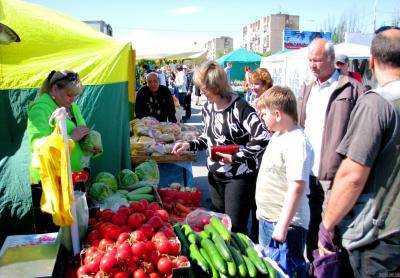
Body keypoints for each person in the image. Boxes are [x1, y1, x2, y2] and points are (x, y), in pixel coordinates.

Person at [318, 27, 400, 277]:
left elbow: (352, 176)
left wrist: (327, 225)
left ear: (372, 61)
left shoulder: (377, 104)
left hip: (377, 239)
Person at [172, 61, 269, 237]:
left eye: (204, 88)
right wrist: (189, 145)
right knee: (218, 226)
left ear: (216, 86)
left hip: (238, 177)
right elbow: (208, 138)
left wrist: (237, 156)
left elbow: (263, 136)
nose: (201, 92)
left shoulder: (240, 107)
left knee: (235, 230)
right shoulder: (208, 107)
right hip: (215, 177)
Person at [297, 38, 362, 262]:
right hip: (309, 170)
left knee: (331, 230)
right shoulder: (307, 86)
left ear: (331, 60)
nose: (312, 65)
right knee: (311, 224)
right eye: (310, 60)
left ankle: (329, 268)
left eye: (317, 60)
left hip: (333, 174)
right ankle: (314, 267)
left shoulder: (350, 88)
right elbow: (302, 123)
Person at [256, 86, 313, 277]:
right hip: (269, 218)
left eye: (264, 114)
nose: (262, 118)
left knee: (285, 271)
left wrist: (281, 225)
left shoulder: (297, 142)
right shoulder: (279, 135)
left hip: (286, 224)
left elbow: (296, 187)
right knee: (269, 268)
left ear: (278, 114)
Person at [27, 70, 89, 232]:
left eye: (75, 95)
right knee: (56, 234)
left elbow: (79, 129)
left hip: (72, 176)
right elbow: (39, 147)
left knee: (75, 231)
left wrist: (89, 142)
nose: (73, 99)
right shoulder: (40, 109)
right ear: (54, 90)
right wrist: (71, 139)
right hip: (50, 181)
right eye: (69, 94)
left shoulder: (70, 105)